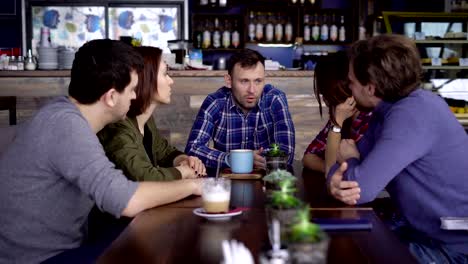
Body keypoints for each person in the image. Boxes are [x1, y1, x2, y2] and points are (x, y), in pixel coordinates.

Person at [0, 39, 202, 263]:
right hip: (41, 258)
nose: (136, 97)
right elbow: (125, 200)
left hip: (71, 243)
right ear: (111, 97)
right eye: (133, 90)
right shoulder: (67, 126)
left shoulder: (66, 116)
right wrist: (194, 185)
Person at [328, 34, 468, 263]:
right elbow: (338, 175)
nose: (349, 86)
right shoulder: (388, 111)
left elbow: (359, 189)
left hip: (453, 248)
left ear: (370, 88)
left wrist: (350, 162)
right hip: (421, 231)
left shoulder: (412, 114)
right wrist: (338, 180)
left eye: (351, 81)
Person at [98, 46, 206, 181]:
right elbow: (143, 177)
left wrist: (184, 160)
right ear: (145, 79)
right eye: (165, 74)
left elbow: (163, 151)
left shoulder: (145, 120)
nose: (171, 81)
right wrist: (182, 172)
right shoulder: (118, 127)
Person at [185, 49, 295, 170]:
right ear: (229, 81)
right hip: (226, 182)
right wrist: (234, 159)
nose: (252, 90)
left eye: (258, 81)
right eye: (244, 81)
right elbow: (192, 149)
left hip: (267, 182)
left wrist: (251, 160)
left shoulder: (275, 99)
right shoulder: (215, 102)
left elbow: (286, 152)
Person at [302, 52, 372, 174]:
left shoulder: (368, 119)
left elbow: (331, 170)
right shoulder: (342, 114)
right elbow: (309, 157)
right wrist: (331, 170)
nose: (323, 99)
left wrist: (337, 124)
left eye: (323, 92)